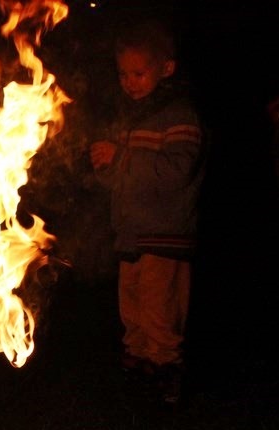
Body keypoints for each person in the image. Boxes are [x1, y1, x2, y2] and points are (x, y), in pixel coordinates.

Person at [89, 18, 205, 404]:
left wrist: (122, 158)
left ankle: (166, 374)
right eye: (124, 73)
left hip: (164, 234)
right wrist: (106, 167)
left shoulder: (179, 116)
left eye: (139, 73)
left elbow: (176, 172)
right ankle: (137, 369)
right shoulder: (129, 120)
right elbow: (124, 179)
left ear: (166, 69)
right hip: (131, 234)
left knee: (160, 311)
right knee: (132, 310)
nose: (130, 81)